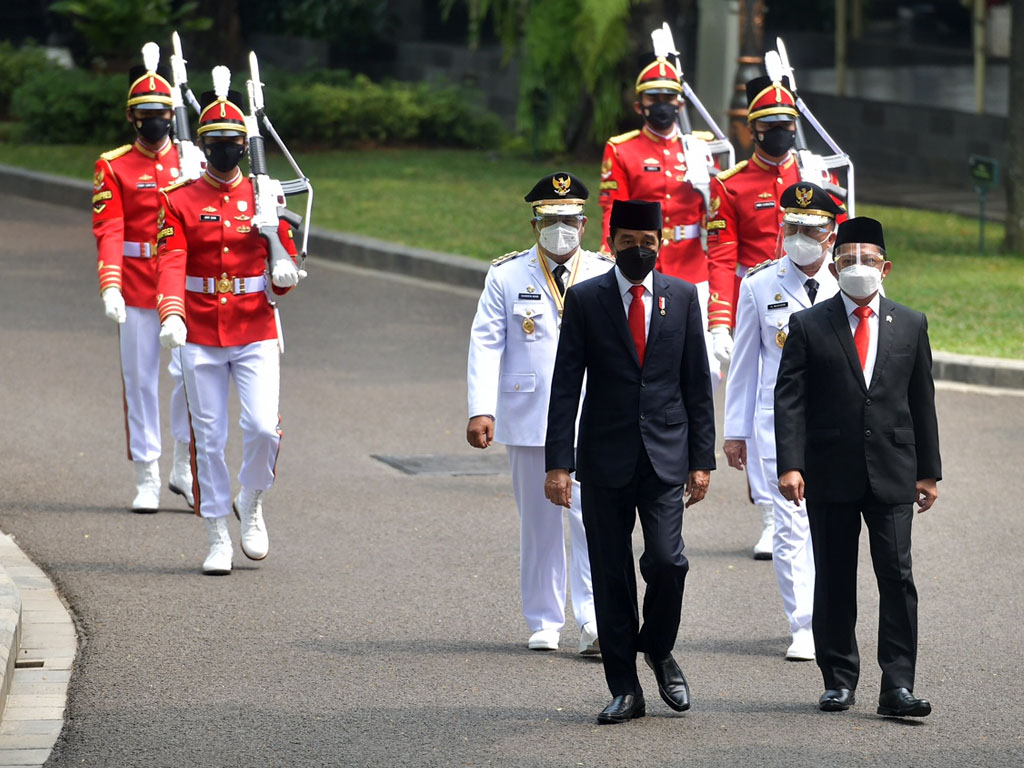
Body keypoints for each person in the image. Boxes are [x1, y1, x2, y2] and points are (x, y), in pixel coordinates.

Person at [545, 200, 715, 724]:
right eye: (628, 241)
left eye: (648, 241)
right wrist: (558, 462)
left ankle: (659, 649)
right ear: (610, 240)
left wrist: (700, 459)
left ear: (659, 244)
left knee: (668, 561)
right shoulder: (586, 298)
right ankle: (624, 688)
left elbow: (696, 382)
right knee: (611, 574)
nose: (638, 250)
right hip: (603, 458)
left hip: (665, 455)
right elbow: (566, 383)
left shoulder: (682, 297)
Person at [774, 216, 940, 717]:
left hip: (893, 470)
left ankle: (898, 686)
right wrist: (791, 464)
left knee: (897, 575)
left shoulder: (911, 323)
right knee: (835, 577)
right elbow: (790, 401)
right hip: (829, 470)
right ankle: (839, 679)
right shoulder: (808, 323)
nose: (858, 268)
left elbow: (922, 400)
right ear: (833, 266)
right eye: (848, 260)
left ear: (885, 266)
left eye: (868, 260)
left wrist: (928, 471)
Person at [155, 73, 302, 575]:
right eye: (215, 144)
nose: (225, 152)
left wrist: (282, 266)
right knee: (209, 436)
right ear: (202, 146)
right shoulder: (179, 199)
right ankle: (217, 531)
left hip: (255, 327)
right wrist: (171, 312)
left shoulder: (266, 196)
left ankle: (253, 500)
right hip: (197, 329)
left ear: (245, 146)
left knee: (263, 428)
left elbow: (283, 275)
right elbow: (170, 260)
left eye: (233, 144)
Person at [467, 172, 612, 654]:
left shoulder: (604, 273)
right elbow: (486, 344)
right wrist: (480, 409)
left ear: (585, 224)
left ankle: (595, 621)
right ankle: (544, 619)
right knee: (539, 521)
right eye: (551, 220)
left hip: (593, 415)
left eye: (569, 220)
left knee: (592, 520)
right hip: (530, 412)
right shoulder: (507, 275)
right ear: (535, 225)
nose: (560, 230)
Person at [706, 74, 834, 558]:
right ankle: (769, 511)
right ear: (753, 130)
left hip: (816, 289)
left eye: (787, 125)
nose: (780, 134)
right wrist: (721, 319)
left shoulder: (814, 176)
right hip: (759, 297)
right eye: (770, 126)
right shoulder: (732, 184)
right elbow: (721, 256)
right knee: (763, 401)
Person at [722, 182, 842, 661]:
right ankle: (804, 625)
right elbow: (745, 364)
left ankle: (833, 613)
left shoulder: (849, 282)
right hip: (778, 425)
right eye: (791, 226)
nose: (799, 236)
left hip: (838, 425)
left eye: (811, 229)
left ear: (830, 235)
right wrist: (735, 432)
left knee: (830, 525)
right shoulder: (759, 285)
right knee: (791, 525)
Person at [92, 44, 193, 513]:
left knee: (190, 378)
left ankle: (182, 464)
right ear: (133, 119)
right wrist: (110, 283)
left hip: (185, 287)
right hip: (135, 284)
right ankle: (147, 473)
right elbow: (110, 228)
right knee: (140, 380)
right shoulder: (114, 166)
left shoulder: (191, 162)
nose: (156, 122)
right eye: (147, 114)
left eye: (163, 113)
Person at [598, 53, 721, 387]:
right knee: (644, 358)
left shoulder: (700, 148)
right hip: (643, 262)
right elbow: (612, 207)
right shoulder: (623, 149)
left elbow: (717, 207)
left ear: (680, 103)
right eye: (654, 98)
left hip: (693, 264)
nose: (662, 105)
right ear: (640, 105)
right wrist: (612, 255)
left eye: (669, 98)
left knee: (702, 367)